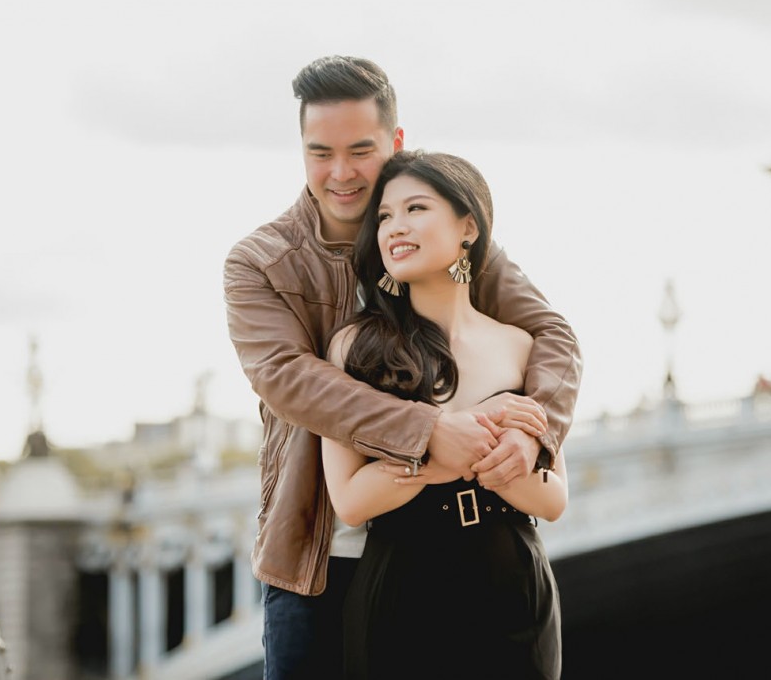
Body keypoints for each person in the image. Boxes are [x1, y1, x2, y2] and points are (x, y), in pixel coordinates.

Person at [223, 55, 582, 679]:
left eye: (360, 151)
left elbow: (553, 337)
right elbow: (288, 379)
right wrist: (429, 432)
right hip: (321, 559)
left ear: (395, 142)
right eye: (320, 153)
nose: (340, 173)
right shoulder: (261, 262)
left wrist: (534, 434)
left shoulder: (447, 236)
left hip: (462, 556)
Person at [323, 149, 567, 679]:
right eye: (384, 216)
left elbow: (552, 499)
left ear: (468, 227)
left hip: (513, 591)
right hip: (401, 591)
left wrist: (454, 449)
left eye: (416, 208)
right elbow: (351, 501)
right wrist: (448, 447)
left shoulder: (520, 346)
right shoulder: (354, 348)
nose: (395, 227)